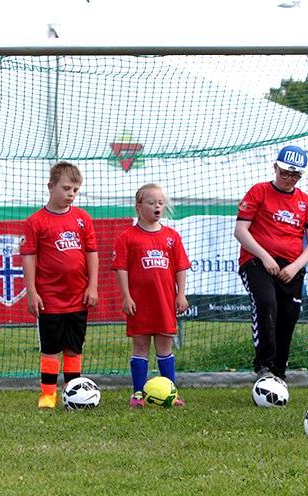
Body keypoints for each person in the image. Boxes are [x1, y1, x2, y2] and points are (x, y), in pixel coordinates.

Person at [234, 145, 308, 382]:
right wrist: (264, 257)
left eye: (295, 175)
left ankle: (279, 373)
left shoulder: (306, 202)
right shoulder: (259, 191)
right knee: (266, 303)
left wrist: (295, 266)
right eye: (285, 173)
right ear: (275, 167)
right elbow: (241, 231)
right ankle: (264, 365)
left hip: (291, 267)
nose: (289, 179)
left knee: (288, 316)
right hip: (257, 262)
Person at [21, 161, 98, 410]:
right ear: (50, 186)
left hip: (78, 297)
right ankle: (48, 394)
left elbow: (91, 253)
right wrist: (32, 292)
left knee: (74, 349)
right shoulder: (36, 221)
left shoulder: (83, 219)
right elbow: (29, 257)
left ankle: (73, 393)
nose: (71, 194)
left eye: (75, 190)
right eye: (66, 188)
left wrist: (92, 286)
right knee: (51, 349)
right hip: (50, 299)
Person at [112, 183, 190, 408]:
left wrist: (181, 294)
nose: (157, 206)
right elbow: (121, 269)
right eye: (151, 202)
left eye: (160, 203)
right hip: (140, 304)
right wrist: (126, 297)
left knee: (165, 347)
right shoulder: (128, 237)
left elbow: (180, 268)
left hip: (164, 302)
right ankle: (137, 394)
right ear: (138, 207)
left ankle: (171, 393)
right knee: (140, 348)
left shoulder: (171, 237)